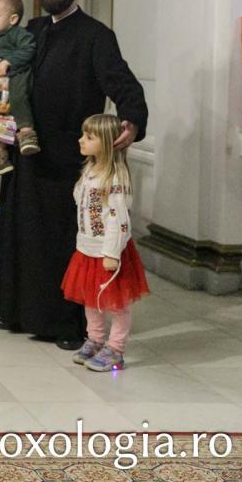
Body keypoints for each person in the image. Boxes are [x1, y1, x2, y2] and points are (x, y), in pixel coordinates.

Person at [0, 0, 147, 350]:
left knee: (64, 242)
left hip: (67, 155)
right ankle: (19, 313)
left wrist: (132, 117)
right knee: (25, 234)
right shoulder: (32, 29)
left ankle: (66, 324)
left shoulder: (96, 35)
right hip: (26, 150)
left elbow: (122, 82)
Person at [61, 114, 149, 372]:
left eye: (89, 137)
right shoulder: (89, 170)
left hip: (109, 251)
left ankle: (116, 349)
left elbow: (119, 219)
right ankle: (96, 338)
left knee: (116, 303)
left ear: (108, 143)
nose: (81, 140)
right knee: (91, 299)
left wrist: (112, 252)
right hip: (87, 248)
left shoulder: (116, 178)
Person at [0, 0, 39, 179]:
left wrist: (7, 62)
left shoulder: (19, 34)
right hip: (1, 83)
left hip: (18, 76)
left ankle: (27, 134)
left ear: (13, 19)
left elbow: (29, 49)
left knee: (18, 99)